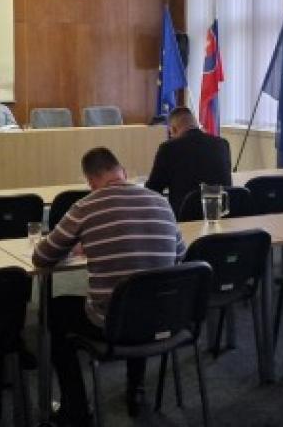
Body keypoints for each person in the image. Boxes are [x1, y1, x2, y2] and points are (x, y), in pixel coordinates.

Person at [33, 147, 185, 425]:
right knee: (141, 287)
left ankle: (76, 408)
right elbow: (180, 255)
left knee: (53, 311)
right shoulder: (161, 202)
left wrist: (81, 243)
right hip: (162, 317)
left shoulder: (86, 206)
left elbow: (42, 257)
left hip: (112, 324)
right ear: (123, 172)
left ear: (91, 181)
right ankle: (136, 391)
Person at [145, 106, 232, 218]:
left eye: (171, 134)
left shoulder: (168, 148)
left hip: (184, 219)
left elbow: (153, 190)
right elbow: (227, 183)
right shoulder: (222, 144)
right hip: (220, 217)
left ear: (173, 129)